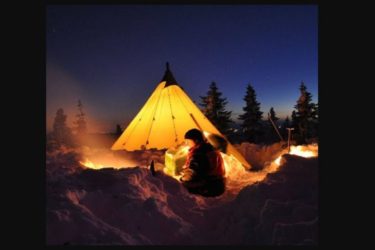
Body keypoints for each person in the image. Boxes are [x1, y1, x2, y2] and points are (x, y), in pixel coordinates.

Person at [180, 129, 226, 197]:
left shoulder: (200, 153)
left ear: (196, 140)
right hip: (219, 183)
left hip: (211, 186)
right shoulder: (208, 148)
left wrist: (183, 178)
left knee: (181, 186)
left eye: (188, 141)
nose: (186, 143)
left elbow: (194, 173)